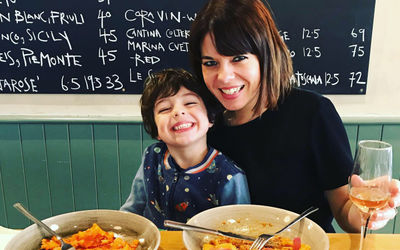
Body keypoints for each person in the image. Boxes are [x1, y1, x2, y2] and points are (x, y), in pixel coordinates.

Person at [188, 0, 400, 233]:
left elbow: (343, 211)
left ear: (265, 55)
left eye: (238, 58)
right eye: (210, 63)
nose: (224, 76)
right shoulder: (202, 124)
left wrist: (366, 214)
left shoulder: (312, 112)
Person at [120, 68, 250, 228]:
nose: (178, 112)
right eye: (164, 109)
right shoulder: (152, 156)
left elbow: (238, 232)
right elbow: (132, 210)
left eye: (190, 103)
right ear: (155, 130)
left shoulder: (229, 177)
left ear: (210, 118)